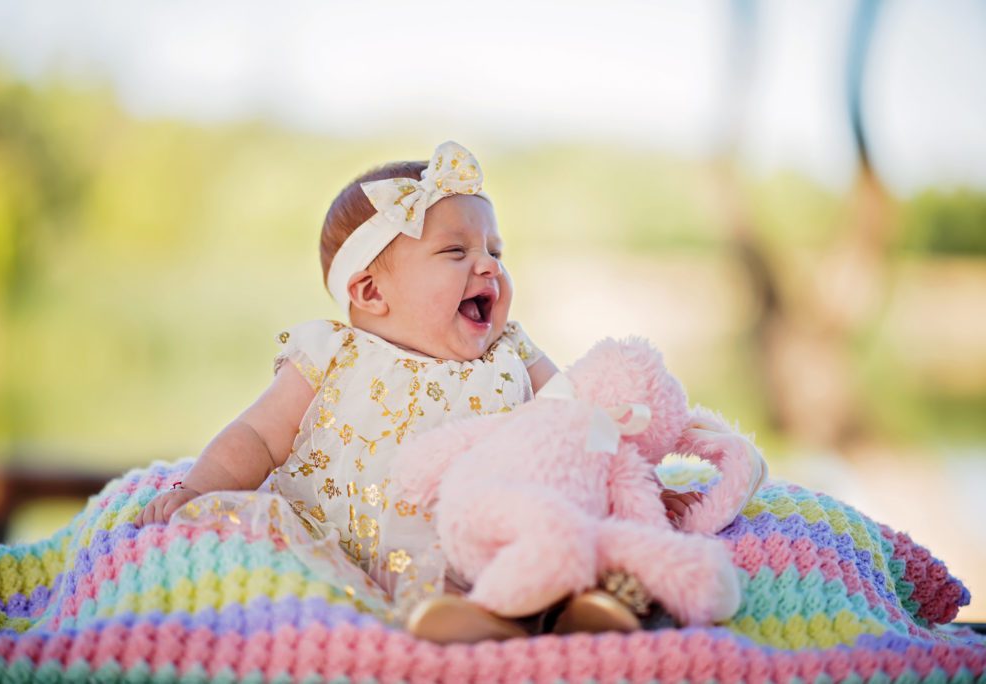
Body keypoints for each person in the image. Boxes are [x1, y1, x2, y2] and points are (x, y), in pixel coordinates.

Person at [133, 140, 703, 641]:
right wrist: (199, 488)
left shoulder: (512, 351)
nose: (488, 267)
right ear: (371, 291)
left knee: (566, 534)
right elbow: (257, 436)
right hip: (363, 552)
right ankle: (498, 616)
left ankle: (583, 604)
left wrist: (641, 487)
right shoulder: (334, 355)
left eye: (495, 252)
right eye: (456, 252)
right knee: (283, 555)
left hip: (493, 530)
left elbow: (583, 423)